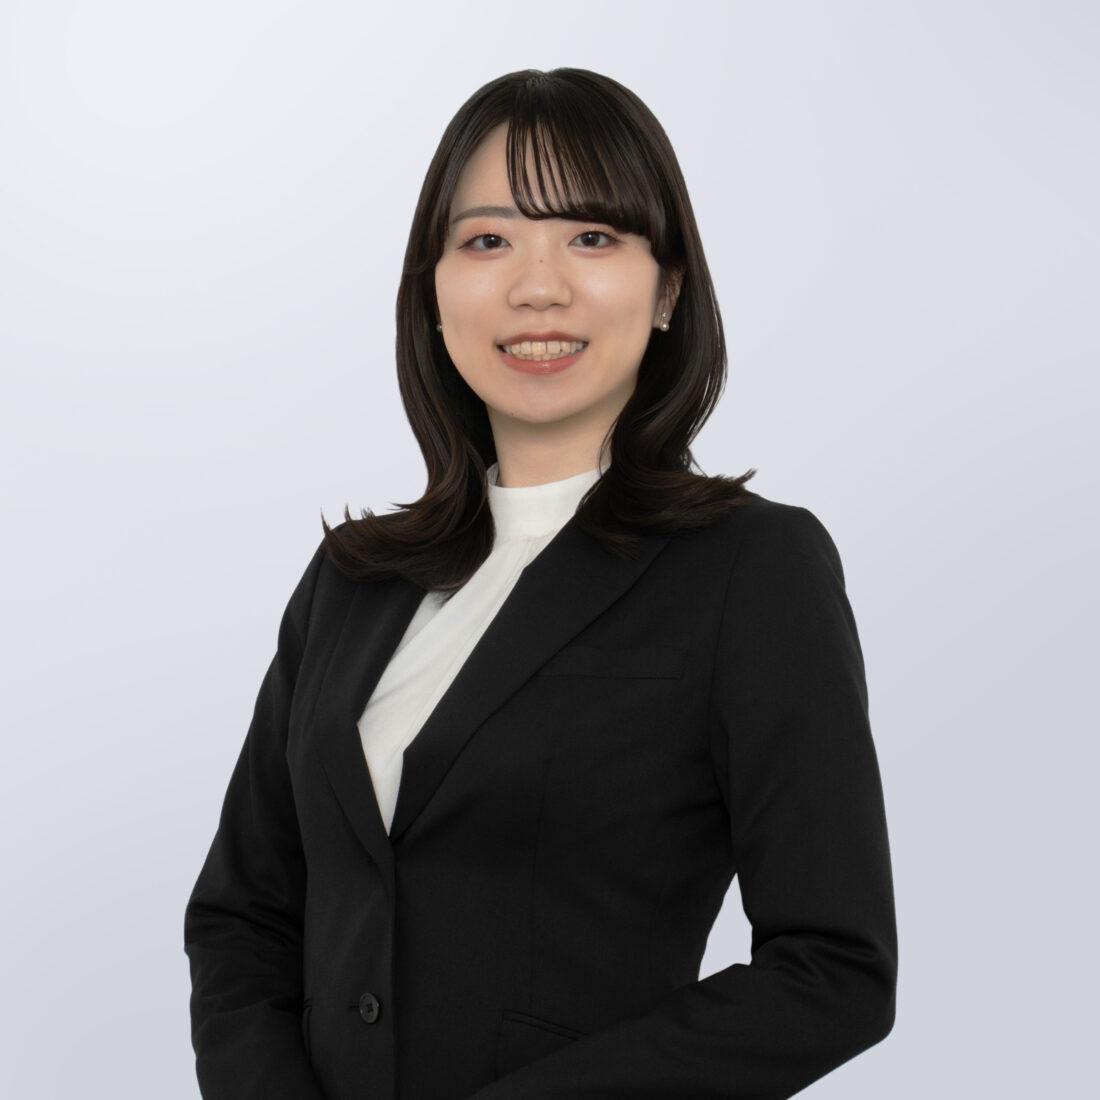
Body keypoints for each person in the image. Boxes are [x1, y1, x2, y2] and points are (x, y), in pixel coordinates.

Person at [184, 67, 897, 1100]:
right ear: (433, 291)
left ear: (667, 288)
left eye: (591, 237)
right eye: (487, 241)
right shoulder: (351, 579)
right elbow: (244, 914)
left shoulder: (751, 570)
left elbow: (834, 968)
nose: (536, 286)